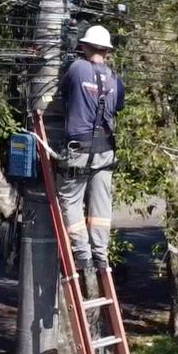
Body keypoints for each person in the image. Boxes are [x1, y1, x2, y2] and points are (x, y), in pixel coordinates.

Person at [57, 24, 125, 273]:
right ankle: (101, 254)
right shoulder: (115, 79)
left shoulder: (75, 69)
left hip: (78, 148)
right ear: (107, 51)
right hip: (105, 151)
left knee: (71, 199)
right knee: (100, 206)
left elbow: (62, 92)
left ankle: (83, 255)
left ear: (84, 46)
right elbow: (117, 106)